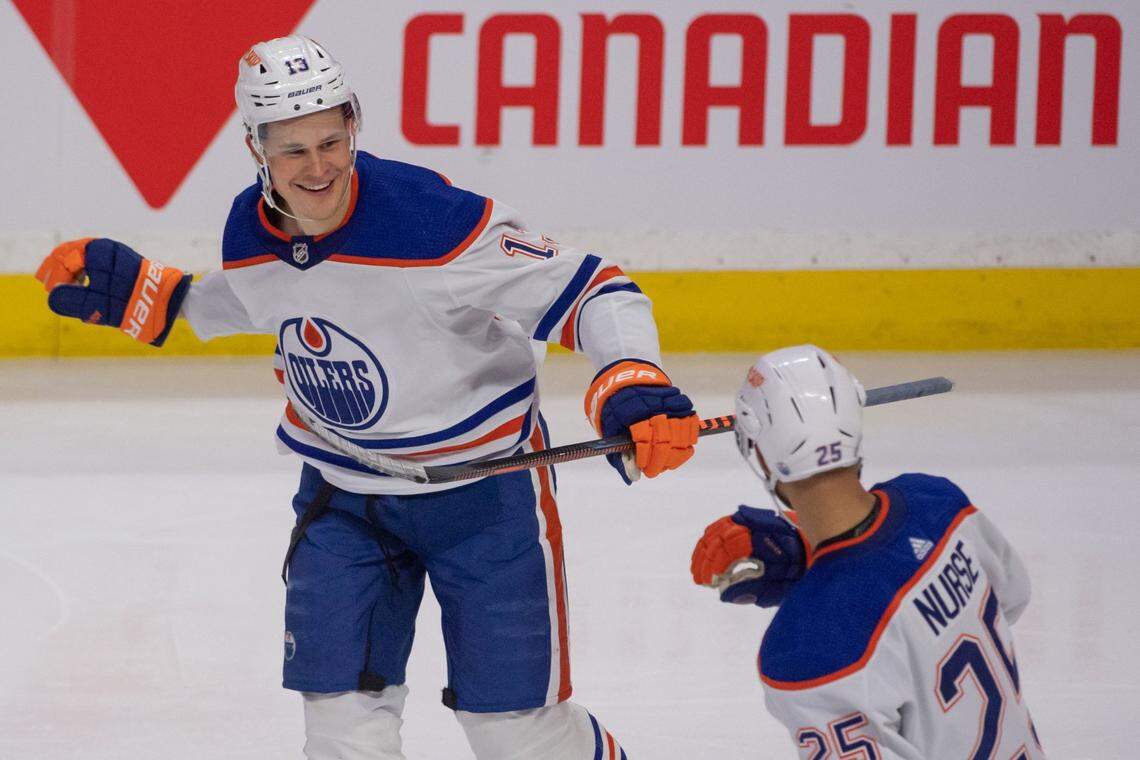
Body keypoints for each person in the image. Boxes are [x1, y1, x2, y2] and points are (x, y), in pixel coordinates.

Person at [35, 35, 701, 760]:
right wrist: (168, 301)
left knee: (515, 736)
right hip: (343, 500)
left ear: (354, 122)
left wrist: (633, 377)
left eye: (331, 139)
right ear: (256, 149)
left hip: (483, 499)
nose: (318, 167)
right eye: (293, 151)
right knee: (344, 734)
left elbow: (594, 290)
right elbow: (269, 295)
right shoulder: (249, 230)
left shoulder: (432, 224)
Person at [689, 345, 1045, 759]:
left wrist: (831, 585)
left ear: (759, 452)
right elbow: (1011, 595)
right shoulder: (939, 503)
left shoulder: (805, 649)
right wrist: (825, 563)